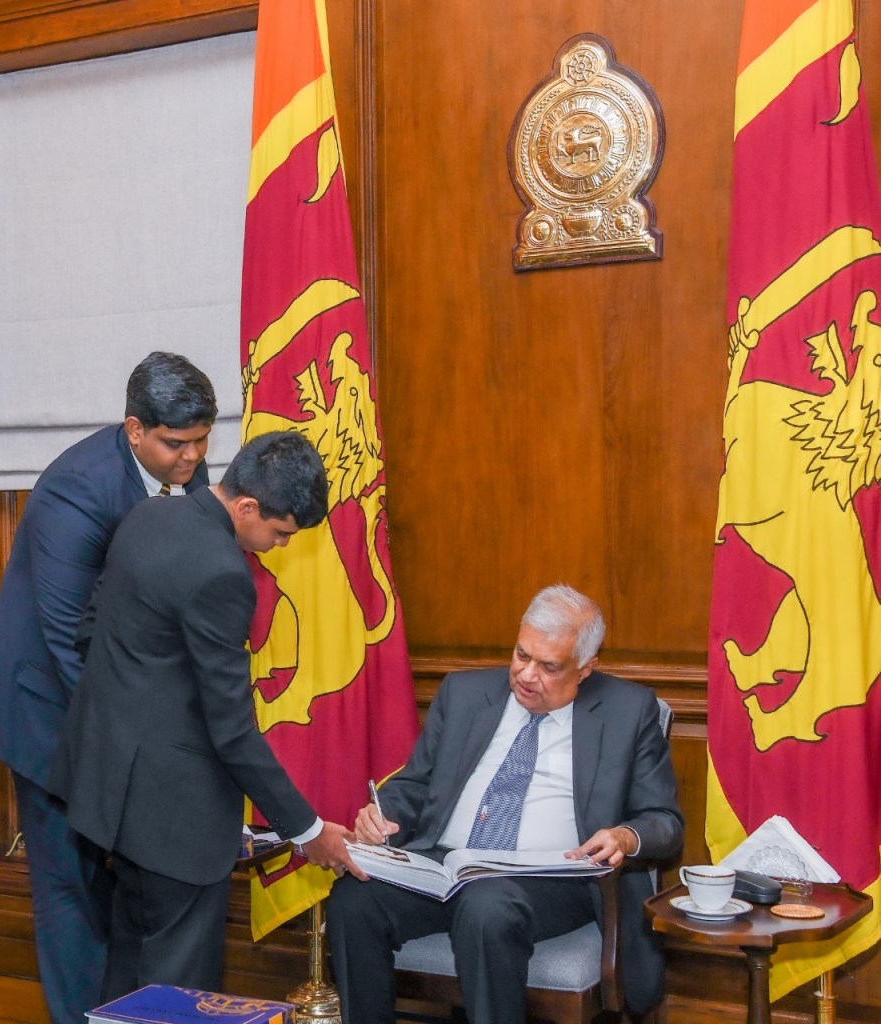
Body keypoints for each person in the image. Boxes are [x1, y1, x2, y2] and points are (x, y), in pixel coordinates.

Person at [48, 430, 365, 1001]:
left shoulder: (147, 517)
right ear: (247, 507)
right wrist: (308, 831)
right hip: (175, 820)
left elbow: (91, 634)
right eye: (280, 532)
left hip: (110, 793)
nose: (280, 546)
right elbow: (232, 729)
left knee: (127, 975)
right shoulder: (223, 573)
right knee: (178, 993)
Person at [0, 351, 217, 1024]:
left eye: (202, 440)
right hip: (48, 712)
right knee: (70, 886)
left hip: (119, 710)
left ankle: (120, 1013)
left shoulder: (183, 476)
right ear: (135, 429)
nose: (193, 458)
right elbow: (65, 641)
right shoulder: (75, 491)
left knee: (125, 886)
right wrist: (139, 743)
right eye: (177, 443)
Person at [327, 583, 684, 1024]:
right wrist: (383, 816)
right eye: (521, 655)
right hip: (444, 865)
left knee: (485, 906)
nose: (527, 675)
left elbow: (664, 821)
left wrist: (625, 837)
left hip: (550, 879)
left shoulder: (628, 711)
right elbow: (415, 784)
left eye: (548, 666)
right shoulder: (464, 693)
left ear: (585, 668)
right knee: (354, 898)